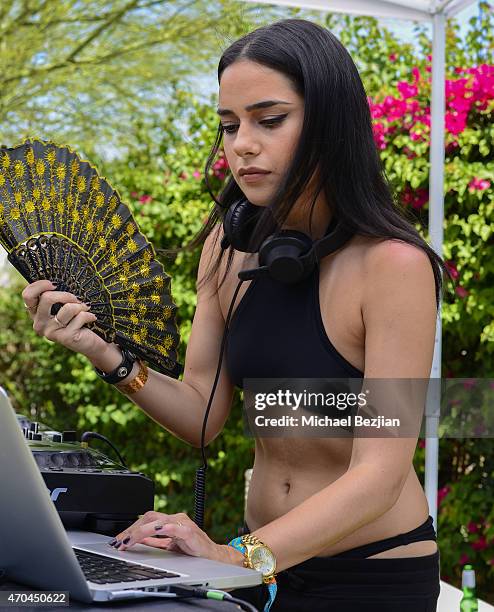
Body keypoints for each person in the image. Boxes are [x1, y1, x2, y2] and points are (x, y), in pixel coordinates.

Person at [22, 18, 453, 612]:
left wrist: (238, 555)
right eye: (229, 125)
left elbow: (380, 473)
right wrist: (102, 349)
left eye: (269, 120)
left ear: (329, 124)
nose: (242, 144)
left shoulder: (394, 266)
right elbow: (203, 415)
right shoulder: (226, 251)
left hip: (369, 578)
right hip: (269, 568)